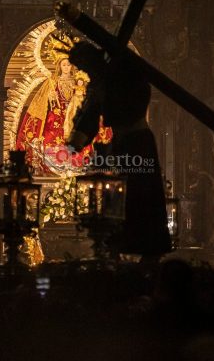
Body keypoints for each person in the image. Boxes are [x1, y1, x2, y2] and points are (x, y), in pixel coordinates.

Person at [68, 41, 171, 257]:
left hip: (137, 142)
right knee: (122, 198)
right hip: (123, 143)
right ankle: (119, 245)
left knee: (139, 194)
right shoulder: (101, 81)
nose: (84, 72)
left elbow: (97, 112)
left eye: (84, 66)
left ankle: (146, 248)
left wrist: (76, 142)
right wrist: (76, 142)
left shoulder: (120, 74)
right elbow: (90, 115)